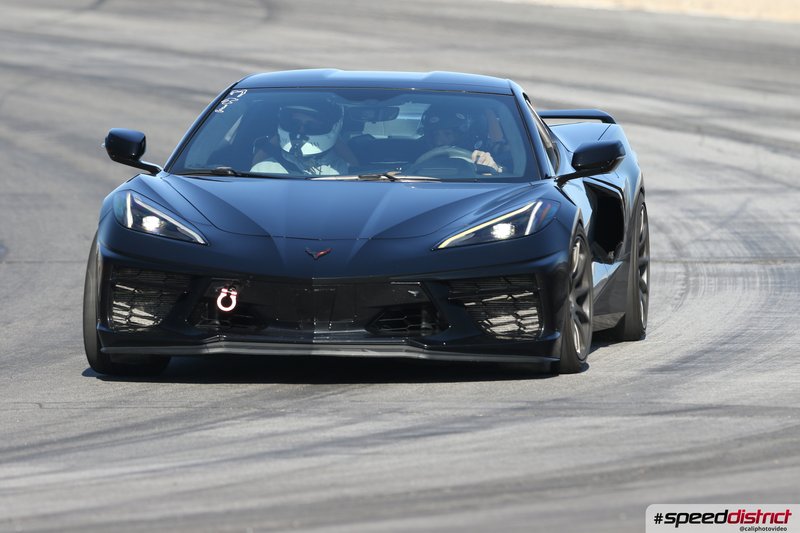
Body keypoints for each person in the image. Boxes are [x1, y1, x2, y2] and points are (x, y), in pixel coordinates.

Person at [251, 98, 349, 176]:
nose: (301, 131)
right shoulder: (266, 168)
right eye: (294, 123)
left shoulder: (341, 169)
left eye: (312, 126)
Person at [414, 104, 503, 173]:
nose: (439, 142)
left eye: (447, 134)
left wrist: (491, 165)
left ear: (461, 134)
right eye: (435, 134)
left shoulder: (479, 154)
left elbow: (505, 171)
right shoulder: (417, 151)